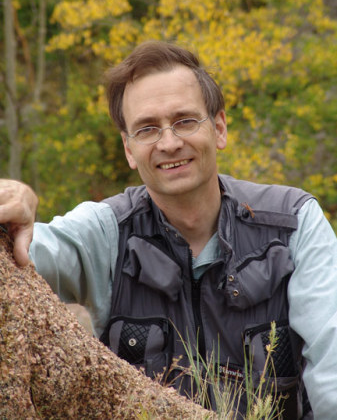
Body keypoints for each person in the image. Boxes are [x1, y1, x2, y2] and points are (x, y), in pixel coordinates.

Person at [0, 41, 336, 418]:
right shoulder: (107, 233)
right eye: (147, 129)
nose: (170, 143)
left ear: (220, 128)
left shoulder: (295, 224)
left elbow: (332, 374)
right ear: (129, 149)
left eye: (185, 121)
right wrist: (18, 197)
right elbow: (22, 247)